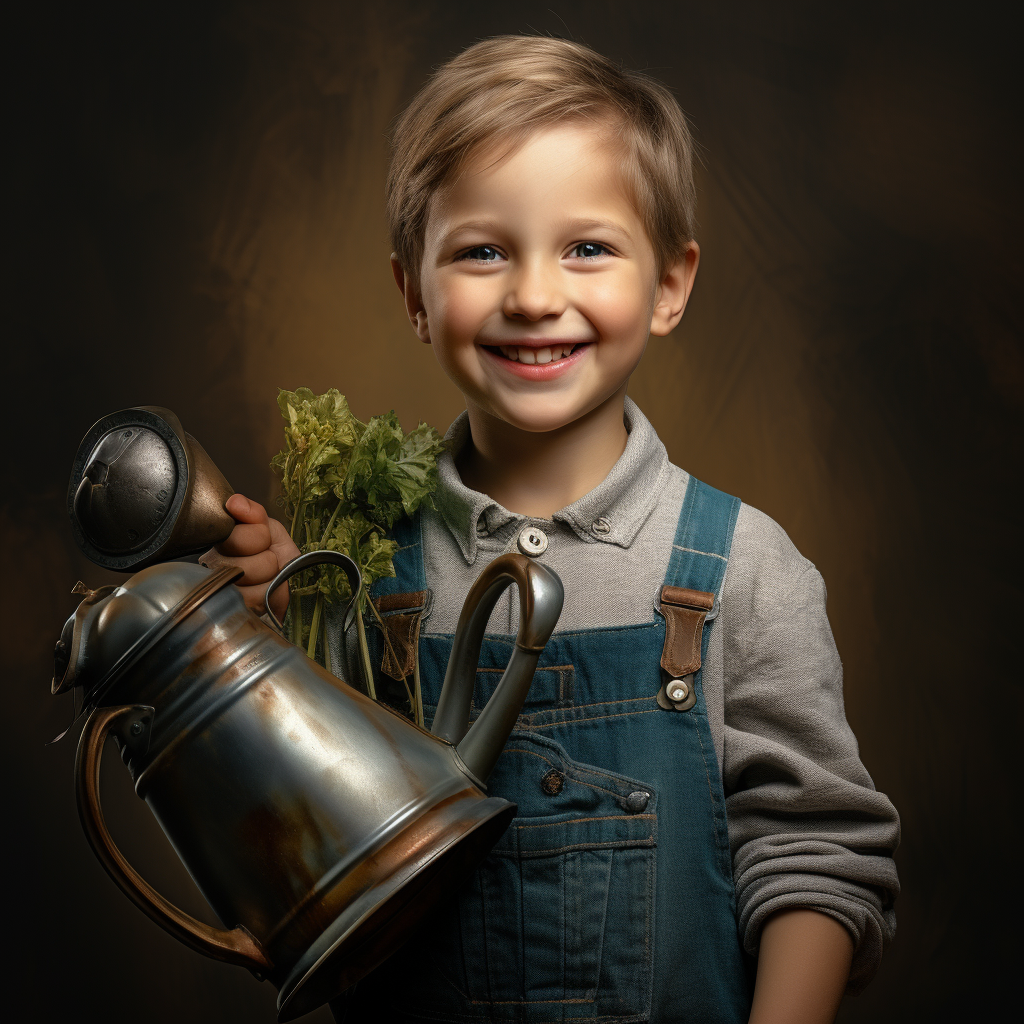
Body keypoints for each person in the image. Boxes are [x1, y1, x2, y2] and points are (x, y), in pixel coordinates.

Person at [201, 35, 900, 1024]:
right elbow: (305, 856)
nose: (533, 296)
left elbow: (815, 854)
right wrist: (276, 649)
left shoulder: (745, 569)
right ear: (412, 290)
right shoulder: (355, 573)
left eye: (587, 246)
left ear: (668, 284)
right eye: (483, 250)